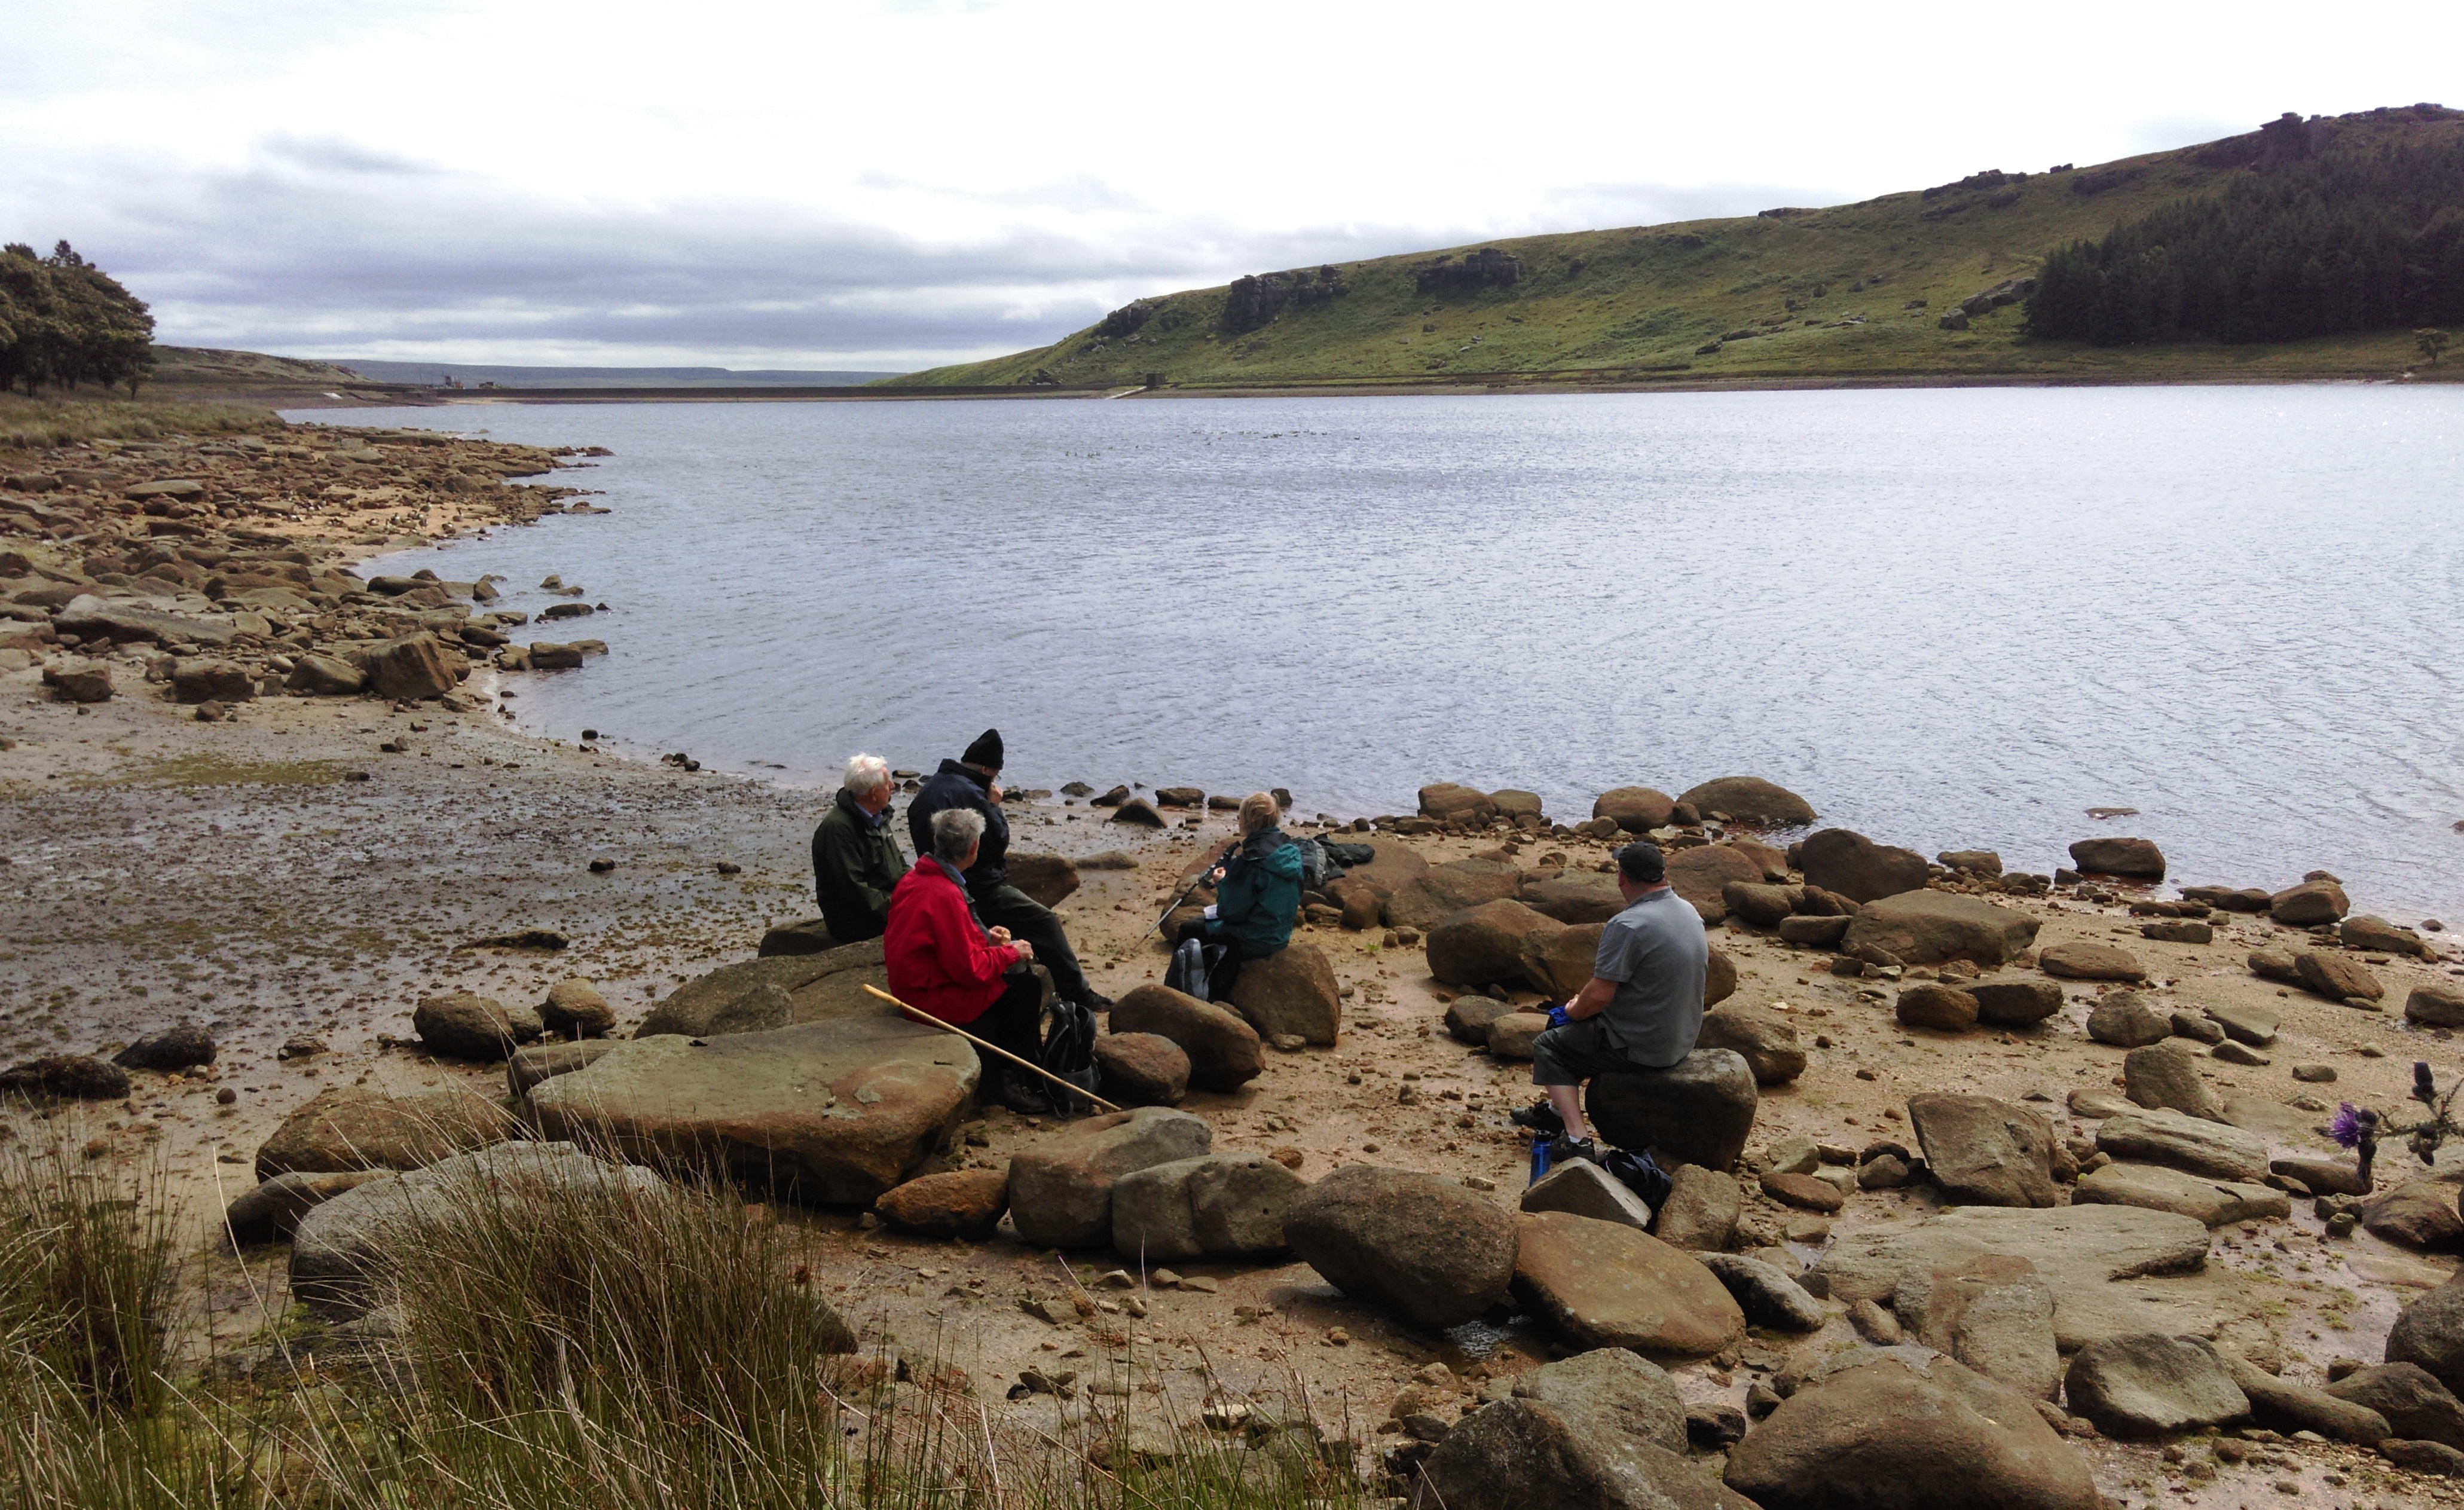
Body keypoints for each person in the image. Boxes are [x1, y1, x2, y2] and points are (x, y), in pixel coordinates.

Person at [1514, 840, 1710, 1163]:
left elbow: (1599, 995)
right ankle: (1554, 1110)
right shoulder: (1688, 911)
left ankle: (1577, 1138)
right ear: (1662, 875)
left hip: (1641, 1045)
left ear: (1622, 878)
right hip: (1681, 1037)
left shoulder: (1628, 925)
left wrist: (1570, 1009)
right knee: (1570, 1030)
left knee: (1549, 1044)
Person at [905, 728, 1109, 1010]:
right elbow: (997, 841)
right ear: (988, 769)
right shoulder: (973, 793)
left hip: (939, 876)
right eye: (996, 774)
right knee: (1044, 921)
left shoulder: (931, 787)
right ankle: (1078, 993)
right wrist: (994, 806)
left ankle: (1042, 975)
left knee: (1011, 925)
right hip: (976, 887)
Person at [885, 807, 1051, 1114]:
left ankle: (1020, 1070)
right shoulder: (945, 893)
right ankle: (1004, 1079)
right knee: (1026, 987)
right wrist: (1012, 952)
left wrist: (986, 940)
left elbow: (947, 945)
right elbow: (969, 970)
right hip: (928, 999)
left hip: (916, 983)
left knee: (1016, 977)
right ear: (973, 849)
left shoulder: (916, 877)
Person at [1174, 791, 1301, 1000]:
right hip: (1281, 934)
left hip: (1253, 938)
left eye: (1240, 816)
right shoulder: (1290, 850)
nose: (1238, 821)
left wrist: (1221, 884)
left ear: (1249, 820)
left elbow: (1231, 912)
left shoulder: (1252, 859)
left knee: (1189, 929)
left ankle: (1185, 993)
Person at [811, 752, 907, 943]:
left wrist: (919, 889)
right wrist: (901, 910)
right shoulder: (838, 829)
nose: (893, 787)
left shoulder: (878, 817)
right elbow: (855, 892)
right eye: (887, 783)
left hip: (883, 907)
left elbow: (899, 867)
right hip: (856, 922)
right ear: (873, 793)